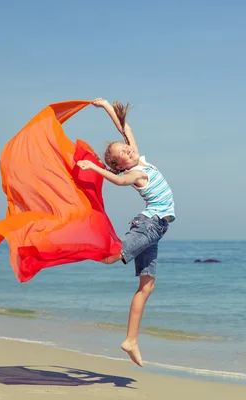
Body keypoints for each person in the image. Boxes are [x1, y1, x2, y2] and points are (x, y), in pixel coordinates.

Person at [76, 97, 175, 367]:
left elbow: (125, 130)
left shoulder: (139, 162)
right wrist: (95, 167)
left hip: (156, 228)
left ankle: (131, 340)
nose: (130, 151)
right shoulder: (133, 174)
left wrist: (107, 107)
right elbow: (119, 180)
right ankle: (74, 247)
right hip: (149, 226)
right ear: (121, 164)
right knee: (112, 257)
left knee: (147, 285)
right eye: (124, 154)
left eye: (128, 150)